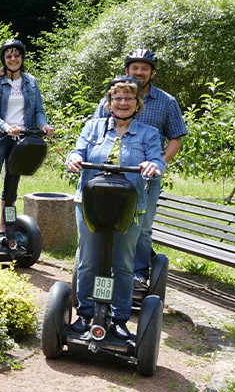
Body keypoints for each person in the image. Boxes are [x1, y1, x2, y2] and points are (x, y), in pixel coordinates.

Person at [67, 76, 164, 339]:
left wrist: (152, 166)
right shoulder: (93, 128)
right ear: (109, 102)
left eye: (129, 98)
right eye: (117, 98)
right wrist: (74, 158)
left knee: (123, 264)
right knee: (88, 261)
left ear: (137, 103)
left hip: (129, 208)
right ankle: (85, 314)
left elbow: (158, 161)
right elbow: (78, 151)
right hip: (91, 204)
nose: (123, 102)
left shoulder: (148, 134)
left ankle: (120, 318)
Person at [91, 49, 187, 291]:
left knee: (142, 226)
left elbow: (176, 138)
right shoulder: (113, 96)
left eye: (145, 68)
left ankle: (138, 275)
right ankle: (103, 269)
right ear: (127, 70)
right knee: (104, 222)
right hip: (109, 175)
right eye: (135, 67)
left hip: (146, 177)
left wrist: (158, 163)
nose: (139, 72)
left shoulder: (166, 101)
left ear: (152, 73)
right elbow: (95, 130)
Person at [0, 39, 55, 229]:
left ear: (22, 57)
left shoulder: (30, 82)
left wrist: (44, 125)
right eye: (9, 56)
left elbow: (38, 110)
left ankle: (6, 227)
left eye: (17, 55)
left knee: (11, 188)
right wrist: (5, 127)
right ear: (3, 59)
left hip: (21, 141)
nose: (13, 59)